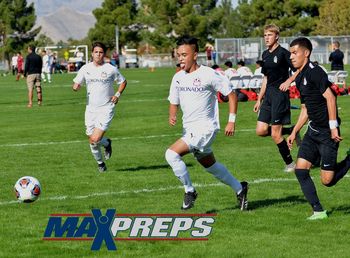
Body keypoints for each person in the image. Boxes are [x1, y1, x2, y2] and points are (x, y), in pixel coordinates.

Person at [165, 36, 248, 210]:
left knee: (171, 155)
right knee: (211, 166)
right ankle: (240, 189)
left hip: (206, 129)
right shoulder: (177, 77)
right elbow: (174, 100)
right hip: (189, 130)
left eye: (184, 54)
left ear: (195, 55)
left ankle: (190, 190)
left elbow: (231, 94)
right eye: (178, 54)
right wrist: (172, 115)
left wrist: (231, 121)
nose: (180, 58)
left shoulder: (209, 74)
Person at [287, 37, 350, 220]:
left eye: (294, 53)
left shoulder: (315, 73)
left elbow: (331, 98)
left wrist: (333, 127)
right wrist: (295, 131)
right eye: (290, 53)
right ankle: (318, 211)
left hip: (327, 132)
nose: (291, 56)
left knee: (327, 181)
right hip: (313, 130)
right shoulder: (299, 77)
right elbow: (306, 108)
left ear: (306, 53)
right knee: (300, 170)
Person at [72, 42, 127, 172]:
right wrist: (76, 87)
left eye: (101, 52)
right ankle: (102, 159)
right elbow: (76, 83)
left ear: (104, 54)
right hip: (90, 109)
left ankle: (104, 149)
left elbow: (123, 82)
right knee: (92, 140)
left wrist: (117, 94)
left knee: (95, 139)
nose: (98, 54)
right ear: (92, 53)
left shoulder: (110, 69)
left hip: (106, 108)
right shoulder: (85, 68)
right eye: (96, 52)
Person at [253, 24, 299, 173]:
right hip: (268, 96)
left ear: (277, 36)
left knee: (275, 134)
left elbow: (299, 69)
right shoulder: (265, 54)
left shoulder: (284, 53)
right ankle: (291, 130)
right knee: (260, 130)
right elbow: (265, 77)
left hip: (280, 95)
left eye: (269, 35)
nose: (266, 38)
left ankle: (290, 164)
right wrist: (259, 99)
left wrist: (288, 82)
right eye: (265, 35)